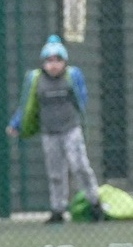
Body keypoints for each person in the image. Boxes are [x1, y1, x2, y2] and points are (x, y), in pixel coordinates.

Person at [6, 35, 103, 223]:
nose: (53, 65)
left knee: (80, 166)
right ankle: (58, 209)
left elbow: (81, 97)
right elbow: (26, 104)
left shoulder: (71, 76)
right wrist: (16, 123)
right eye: (49, 61)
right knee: (55, 173)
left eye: (58, 60)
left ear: (64, 62)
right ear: (43, 63)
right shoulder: (36, 80)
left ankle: (94, 202)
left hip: (71, 130)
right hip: (49, 133)